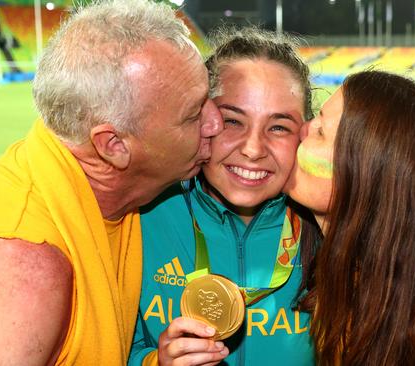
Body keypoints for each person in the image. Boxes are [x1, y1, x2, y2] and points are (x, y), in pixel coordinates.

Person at [0, 0, 223, 364]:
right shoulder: (21, 275)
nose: (215, 123)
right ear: (113, 146)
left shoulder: (99, 186)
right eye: (193, 115)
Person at [285, 70, 415, 365]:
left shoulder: (377, 327)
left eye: (320, 130)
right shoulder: (387, 295)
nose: (301, 129)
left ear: (366, 176)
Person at [129, 28, 317, 366]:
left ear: (305, 134)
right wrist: (154, 362)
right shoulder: (143, 214)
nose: (253, 149)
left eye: (278, 127)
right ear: (203, 119)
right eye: (233, 121)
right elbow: (102, 345)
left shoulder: (328, 229)